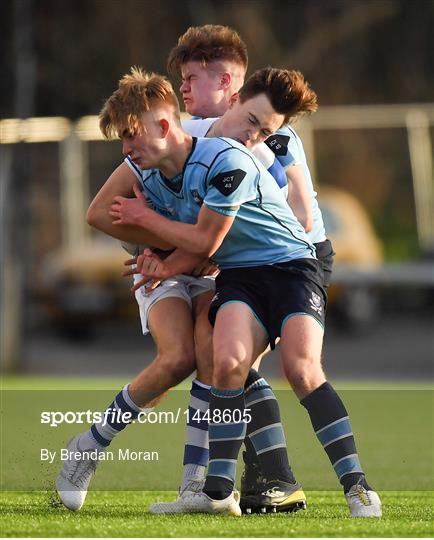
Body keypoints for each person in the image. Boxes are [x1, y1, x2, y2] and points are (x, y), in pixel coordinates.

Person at [106, 68, 382, 518]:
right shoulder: (188, 144)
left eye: (266, 131)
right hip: (240, 276)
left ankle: (358, 487)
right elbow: (198, 244)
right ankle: (216, 492)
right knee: (227, 363)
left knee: (301, 369)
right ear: (235, 100)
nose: (254, 135)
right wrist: (161, 260)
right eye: (252, 121)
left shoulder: (231, 160)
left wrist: (150, 226)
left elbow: (205, 242)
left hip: (292, 269)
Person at [55, 64, 315, 514]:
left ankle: (197, 486)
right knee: (177, 358)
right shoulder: (144, 159)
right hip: (165, 266)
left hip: (211, 266)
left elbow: (232, 233)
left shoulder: (244, 155)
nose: (125, 147)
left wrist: (172, 239)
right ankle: (89, 447)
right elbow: (99, 214)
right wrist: (159, 251)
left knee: (212, 353)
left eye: (129, 135)